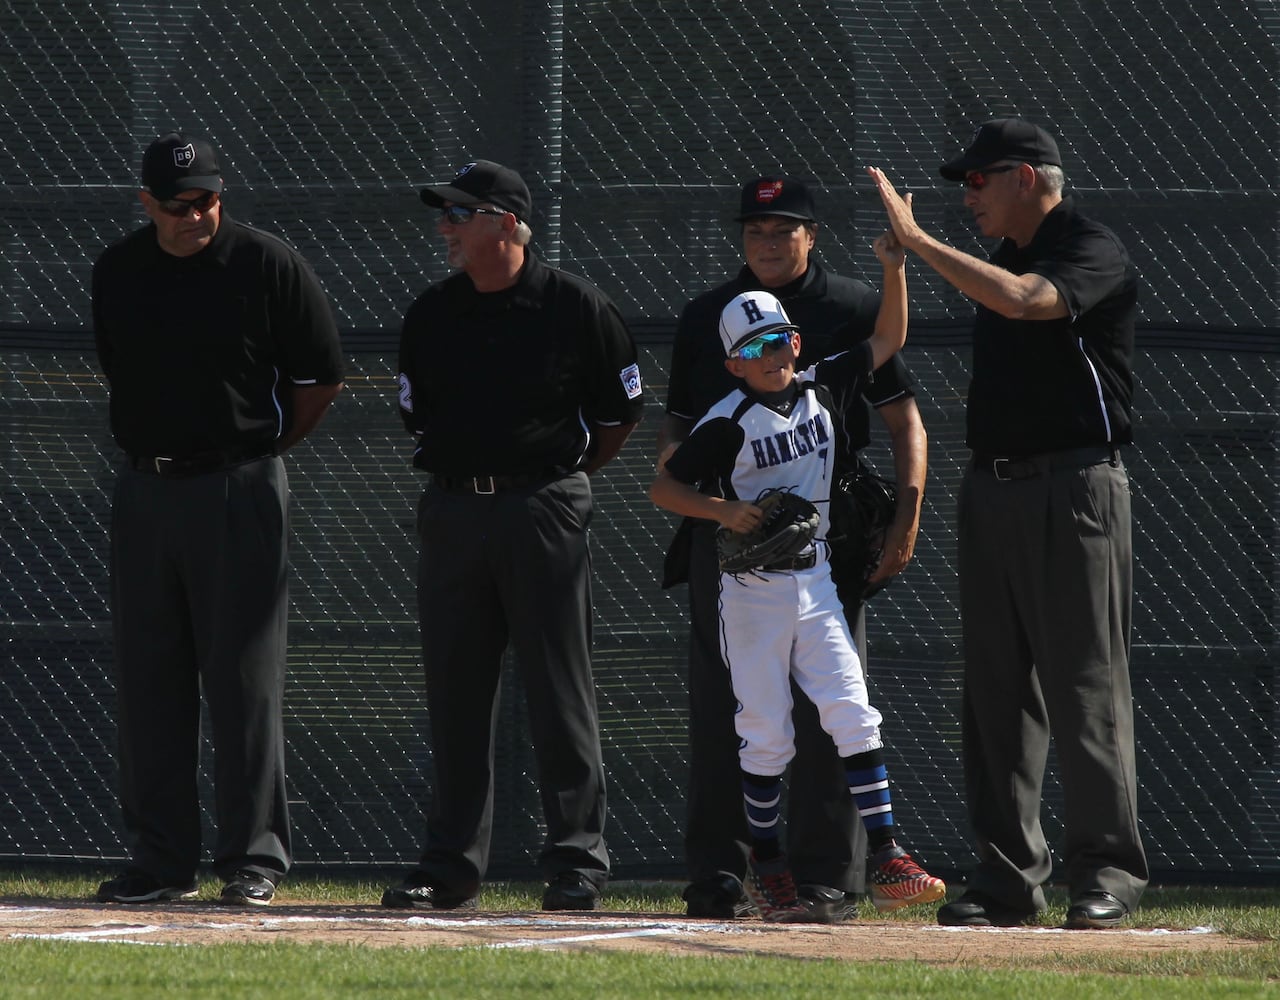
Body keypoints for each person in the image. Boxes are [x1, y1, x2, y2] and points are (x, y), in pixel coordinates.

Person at [870, 117, 1148, 929]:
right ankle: (1005, 879)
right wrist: (902, 262)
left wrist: (919, 240)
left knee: (1085, 688)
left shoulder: (1088, 247)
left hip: (1074, 491)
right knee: (996, 695)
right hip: (993, 493)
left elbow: (1032, 304)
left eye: (980, 179)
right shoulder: (999, 262)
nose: (970, 195)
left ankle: (1107, 875)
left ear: (1026, 177)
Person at [657, 175, 927, 921]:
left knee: (849, 709)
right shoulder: (722, 394)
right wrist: (727, 513)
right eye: (753, 348)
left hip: (820, 566)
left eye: (779, 341)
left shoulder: (824, 367)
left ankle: (872, 860)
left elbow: (888, 350)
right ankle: (757, 867)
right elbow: (667, 478)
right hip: (747, 580)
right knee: (762, 731)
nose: (770, 353)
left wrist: (896, 266)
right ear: (733, 361)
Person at [91, 132, 345, 906]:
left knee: (242, 679)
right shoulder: (120, 270)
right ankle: (161, 859)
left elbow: (319, 378)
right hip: (147, 488)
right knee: (150, 676)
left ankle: (253, 860)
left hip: (236, 485)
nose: (196, 214)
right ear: (148, 204)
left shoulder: (265, 262)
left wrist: (258, 452)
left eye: (206, 198)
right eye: (178, 204)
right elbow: (119, 373)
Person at [384, 159, 644, 913]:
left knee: (559, 691)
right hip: (456, 512)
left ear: (504, 222)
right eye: (447, 216)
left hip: (542, 508)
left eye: (460, 216)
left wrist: (554, 480)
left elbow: (618, 418)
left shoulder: (575, 307)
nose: (447, 229)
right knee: (456, 694)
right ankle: (450, 867)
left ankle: (576, 864)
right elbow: (418, 413)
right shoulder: (433, 312)